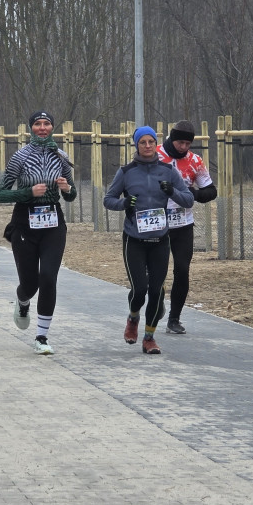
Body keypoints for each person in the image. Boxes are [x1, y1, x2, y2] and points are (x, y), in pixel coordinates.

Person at [103, 126, 193, 354]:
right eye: (142, 142)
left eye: (151, 142)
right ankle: (133, 317)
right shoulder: (126, 172)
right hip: (134, 239)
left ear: (156, 144)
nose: (147, 146)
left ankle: (149, 338)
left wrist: (172, 191)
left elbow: (188, 200)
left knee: (157, 291)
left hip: (161, 239)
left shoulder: (168, 171)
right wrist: (123, 204)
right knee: (139, 289)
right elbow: (108, 200)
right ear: (136, 145)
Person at [0, 111, 77, 355]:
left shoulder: (61, 156)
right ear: (31, 128)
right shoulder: (20, 157)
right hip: (25, 224)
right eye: (38, 124)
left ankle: (42, 336)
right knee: (30, 284)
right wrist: (28, 192)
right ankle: (22, 301)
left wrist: (67, 188)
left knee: (49, 278)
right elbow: (1, 193)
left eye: (47, 124)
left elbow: (71, 195)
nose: (43, 128)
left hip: (53, 223)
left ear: (53, 127)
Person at [157, 120, 217, 334]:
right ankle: (156, 305)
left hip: (183, 224)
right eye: (180, 142)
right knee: (157, 271)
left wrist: (194, 194)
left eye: (187, 144)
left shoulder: (195, 161)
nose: (183, 147)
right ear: (172, 139)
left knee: (182, 270)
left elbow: (211, 191)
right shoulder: (154, 156)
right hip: (157, 223)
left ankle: (174, 318)